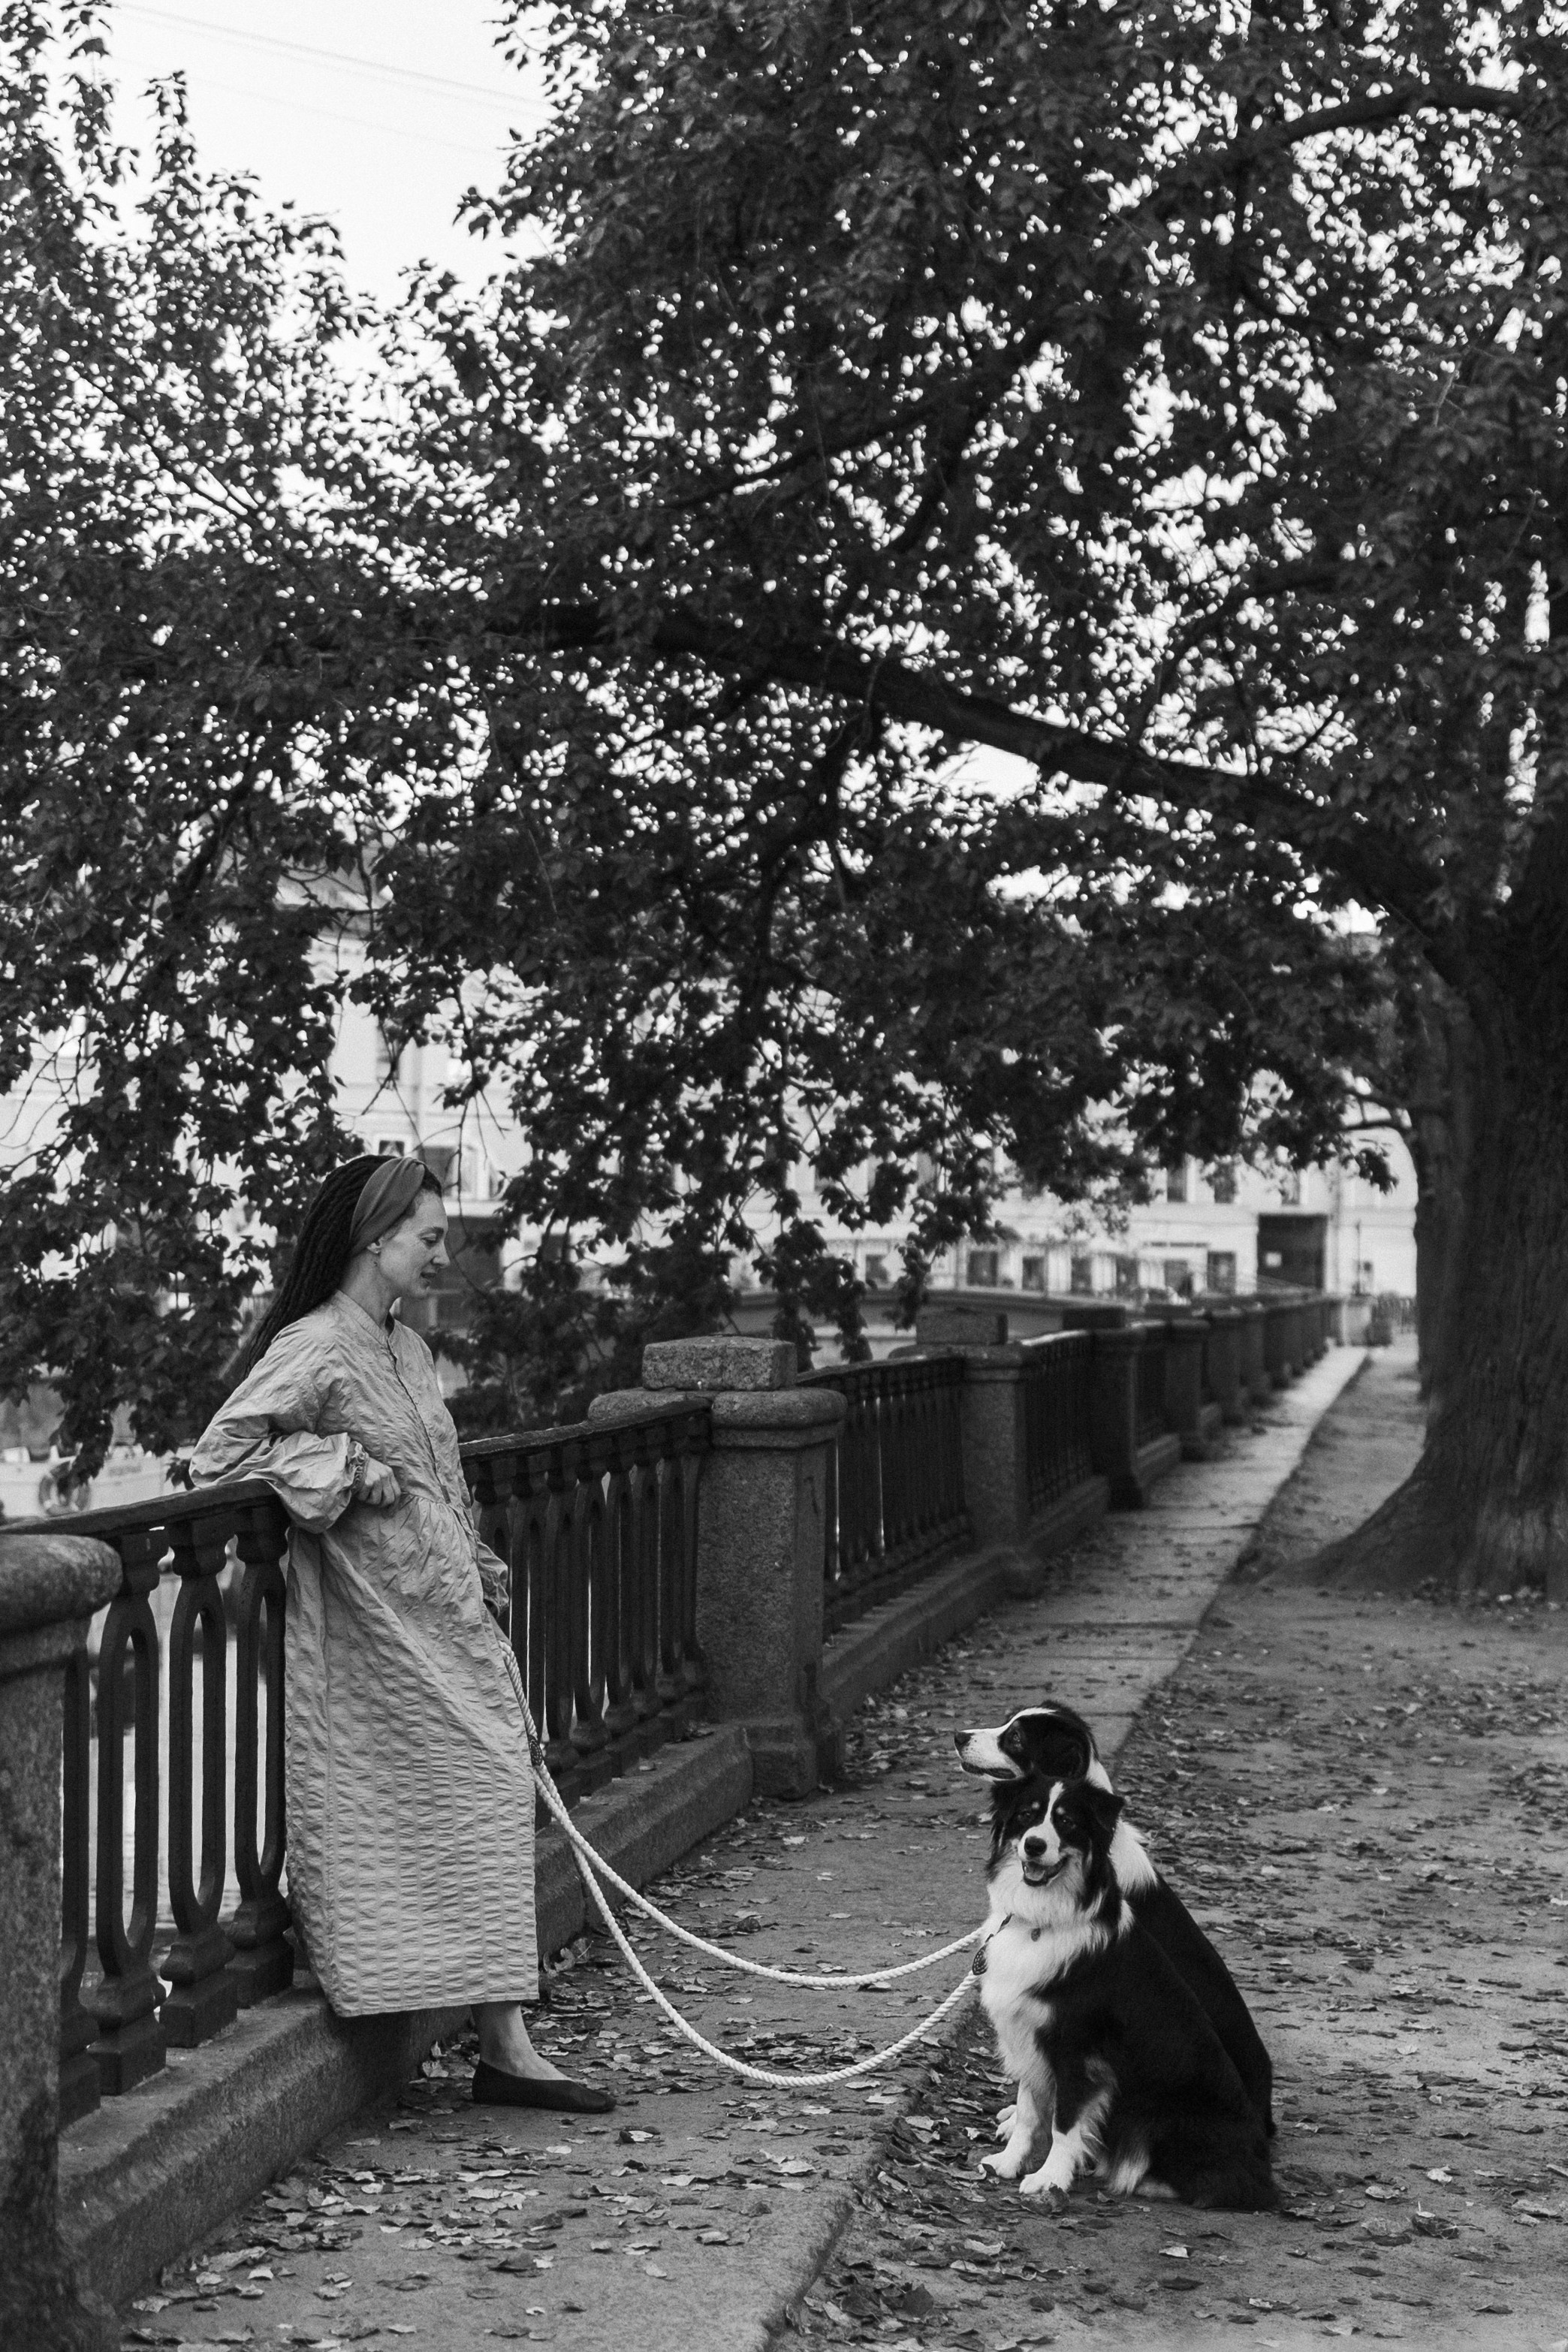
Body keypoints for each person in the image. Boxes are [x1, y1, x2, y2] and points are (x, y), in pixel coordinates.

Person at [191, 1153, 614, 2113]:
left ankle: (505, 2044)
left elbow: (437, 1478)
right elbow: (220, 1452)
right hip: (379, 1630)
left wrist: (477, 1567)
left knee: (493, 1793)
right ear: (375, 1238)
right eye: (427, 1237)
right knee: (451, 1797)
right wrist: (337, 1461)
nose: (440, 1255)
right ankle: (484, 2035)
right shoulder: (319, 1344)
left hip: (449, 1617)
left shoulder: (408, 1349)